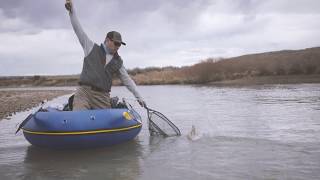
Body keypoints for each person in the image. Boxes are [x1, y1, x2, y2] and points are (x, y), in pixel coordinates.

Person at [65, 0, 146, 110]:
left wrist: (139, 97)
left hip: (102, 96)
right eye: (116, 43)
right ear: (107, 40)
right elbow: (78, 29)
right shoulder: (90, 47)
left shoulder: (118, 62)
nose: (118, 46)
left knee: (106, 123)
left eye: (120, 44)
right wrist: (71, 11)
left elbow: (127, 81)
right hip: (84, 93)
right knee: (79, 120)